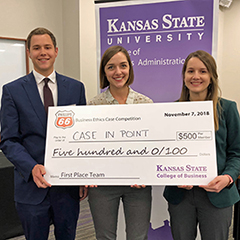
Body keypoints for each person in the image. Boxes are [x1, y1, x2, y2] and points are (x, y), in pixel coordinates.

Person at [0, 27, 88, 240]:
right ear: (29, 52)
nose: (43, 52)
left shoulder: (76, 88)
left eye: (47, 47)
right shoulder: (12, 91)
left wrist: (85, 173)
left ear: (56, 51)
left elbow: (84, 136)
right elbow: (8, 140)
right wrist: (31, 168)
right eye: (37, 48)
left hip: (67, 188)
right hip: (31, 187)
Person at [163, 50, 240, 240]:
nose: (196, 76)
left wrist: (228, 177)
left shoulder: (228, 109)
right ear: (184, 76)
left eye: (203, 71)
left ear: (212, 76)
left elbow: (237, 152)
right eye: (190, 71)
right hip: (180, 196)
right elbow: (163, 153)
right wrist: (174, 176)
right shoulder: (170, 112)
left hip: (217, 195)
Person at [88, 45, 152, 240]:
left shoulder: (146, 103)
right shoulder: (93, 105)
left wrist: (146, 173)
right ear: (104, 72)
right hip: (103, 186)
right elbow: (89, 147)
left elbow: (151, 147)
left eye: (123, 66)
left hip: (137, 185)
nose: (118, 72)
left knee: (138, 237)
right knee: (105, 237)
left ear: (130, 69)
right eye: (111, 67)